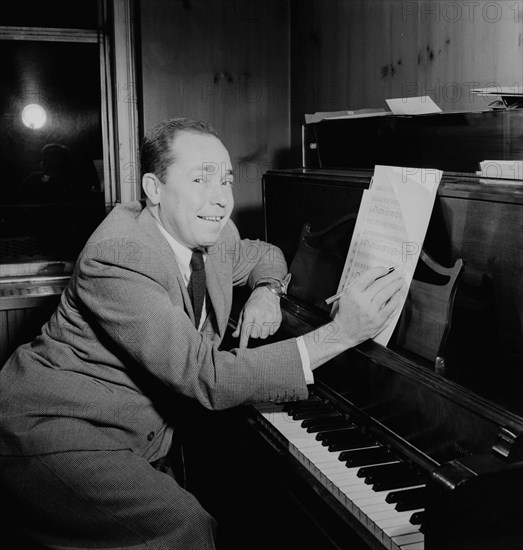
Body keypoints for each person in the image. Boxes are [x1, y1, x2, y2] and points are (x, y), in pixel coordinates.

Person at [0, 118, 405, 549]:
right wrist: (340, 334)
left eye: (227, 180)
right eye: (200, 179)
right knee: (186, 526)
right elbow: (206, 376)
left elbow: (265, 254)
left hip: (134, 433)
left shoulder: (213, 234)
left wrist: (267, 291)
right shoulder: (116, 257)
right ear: (154, 189)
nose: (221, 199)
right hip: (52, 431)